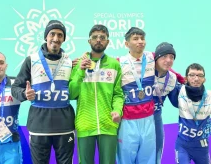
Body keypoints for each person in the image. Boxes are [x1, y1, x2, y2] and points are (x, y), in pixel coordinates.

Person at [11, 20, 75, 164]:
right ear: (46, 36)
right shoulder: (31, 60)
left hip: (65, 125)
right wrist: (24, 94)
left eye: (60, 35)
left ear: (64, 39)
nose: (56, 38)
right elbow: (15, 88)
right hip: (39, 126)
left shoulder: (70, 62)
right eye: (52, 34)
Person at [69, 24, 124, 164]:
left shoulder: (114, 64)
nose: (98, 40)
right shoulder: (77, 64)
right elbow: (71, 93)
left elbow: (118, 94)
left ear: (108, 41)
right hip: (85, 124)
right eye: (95, 37)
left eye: (102, 37)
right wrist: (80, 71)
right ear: (89, 41)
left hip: (108, 125)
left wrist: (117, 110)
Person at [117, 27, 155, 164]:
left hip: (148, 118)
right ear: (127, 44)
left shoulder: (152, 57)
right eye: (135, 38)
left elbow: (167, 66)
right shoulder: (119, 62)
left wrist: (181, 79)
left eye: (142, 38)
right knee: (125, 159)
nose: (140, 41)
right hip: (128, 120)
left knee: (148, 159)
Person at [174, 63, 211, 164]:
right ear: (186, 78)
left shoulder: (209, 96)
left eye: (200, 75)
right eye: (192, 75)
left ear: (204, 79)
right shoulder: (179, 91)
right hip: (183, 145)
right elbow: (167, 73)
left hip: (202, 147)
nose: (196, 78)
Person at [153, 42, 182, 164]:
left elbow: (177, 102)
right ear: (156, 58)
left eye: (171, 57)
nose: (168, 60)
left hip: (156, 118)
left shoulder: (172, 78)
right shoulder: (144, 70)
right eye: (164, 56)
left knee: (157, 151)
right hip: (135, 119)